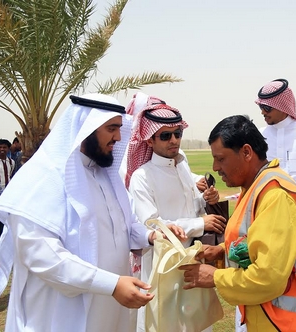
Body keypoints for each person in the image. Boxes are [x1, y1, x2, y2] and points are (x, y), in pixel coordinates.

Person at [0, 94, 185, 332]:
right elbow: (43, 257)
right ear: (87, 127)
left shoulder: (105, 175)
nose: (118, 137)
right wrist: (111, 284)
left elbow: (125, 225)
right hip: (59, 312)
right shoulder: (43, 179)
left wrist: (151, 236)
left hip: (107, 306)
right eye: (112, 128)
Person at [180, 115, 296, 331]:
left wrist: (216, 277)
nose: (215, 167)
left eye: (221, 159)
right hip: (269, 317)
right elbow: (257, 240)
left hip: (288, 323)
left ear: (247, 152)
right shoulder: (256, 186)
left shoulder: (276, 195)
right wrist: (222, 251)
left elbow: (268, 278)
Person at [125, 93, 226, 332]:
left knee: (197, 322)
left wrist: (205, 199)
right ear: (149, 140)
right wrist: (200, 224)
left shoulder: (182, 164)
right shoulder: (142, 177)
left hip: (195, 258)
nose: (174, 140)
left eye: (177, 134)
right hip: (165, 265)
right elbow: (153, 225)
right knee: (165, 323)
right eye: (165, 136)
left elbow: (191, 204)